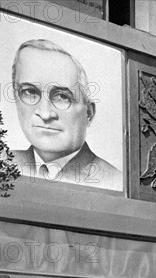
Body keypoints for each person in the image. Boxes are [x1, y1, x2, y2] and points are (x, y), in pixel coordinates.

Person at [11, 39, 121, 190]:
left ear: (88, 113)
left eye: (62, 97)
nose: (44, 114)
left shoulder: (112, 181)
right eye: (30, 92)